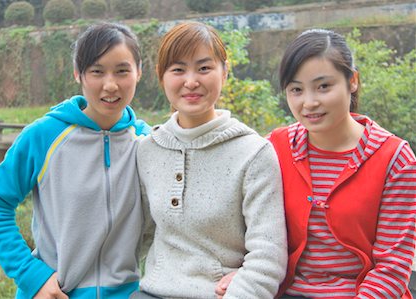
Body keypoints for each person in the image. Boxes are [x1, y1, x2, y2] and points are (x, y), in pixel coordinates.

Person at [216, 28, 416, 299]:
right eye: (296, 89)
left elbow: (392, 267)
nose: (309, 103)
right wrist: (246, 273)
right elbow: (246, 225)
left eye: (324, 86)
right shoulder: (275, 147)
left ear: (352, 81)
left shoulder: (395, 159)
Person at [0, 22, 150, 299]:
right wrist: (32, 276)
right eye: (97, 71)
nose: (110, 85)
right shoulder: (44, 135)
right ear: (78, 74)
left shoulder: (147, 142)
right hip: (56, 293)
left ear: (139, 72)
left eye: (122, 71)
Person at [133, 21, 287, 299]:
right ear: (161, 76)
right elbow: (136, 237)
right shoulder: (147, 150)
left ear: (225, 71)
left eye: (204, 68)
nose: (191, 81)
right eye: (178, 69)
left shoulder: (254, 153)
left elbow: (268, 255)